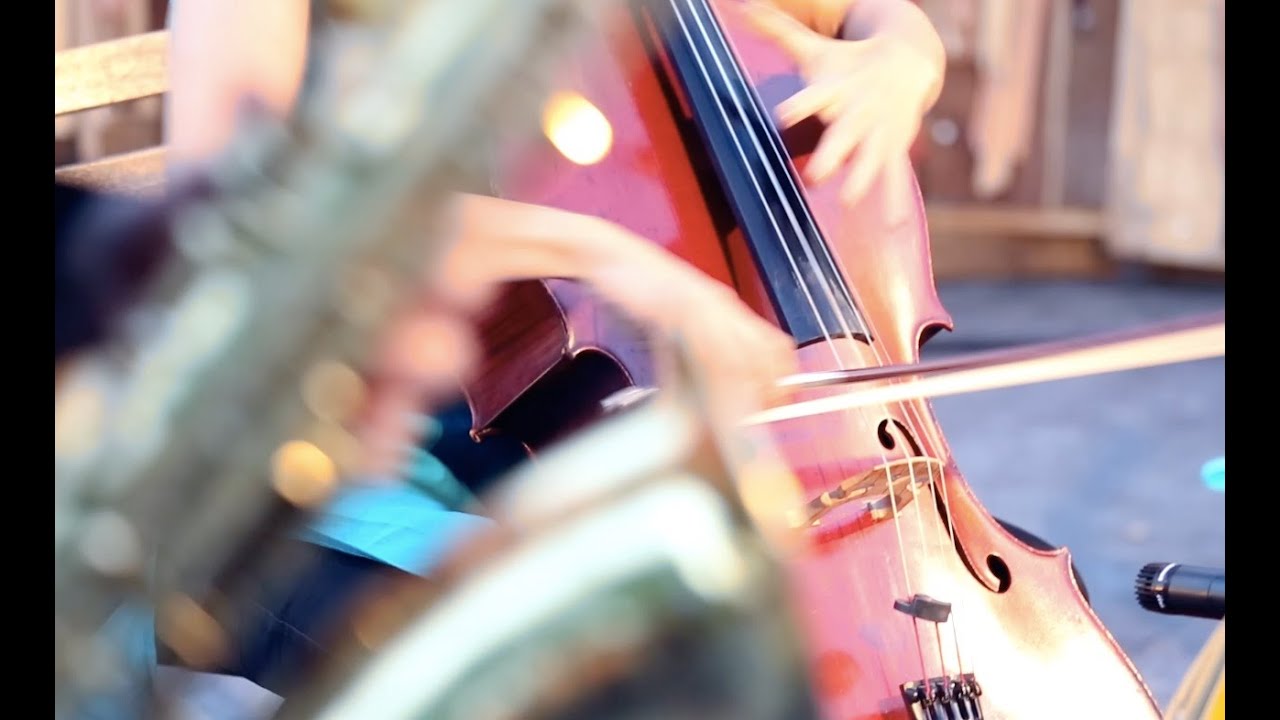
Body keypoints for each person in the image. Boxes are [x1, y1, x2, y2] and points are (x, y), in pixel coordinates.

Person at [127, 0, 948, 707]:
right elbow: (244, 200)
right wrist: (607, 253)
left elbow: (859, 14)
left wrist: (905, 56)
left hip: (540, 448)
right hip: (288, 478)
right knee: (608, 674)